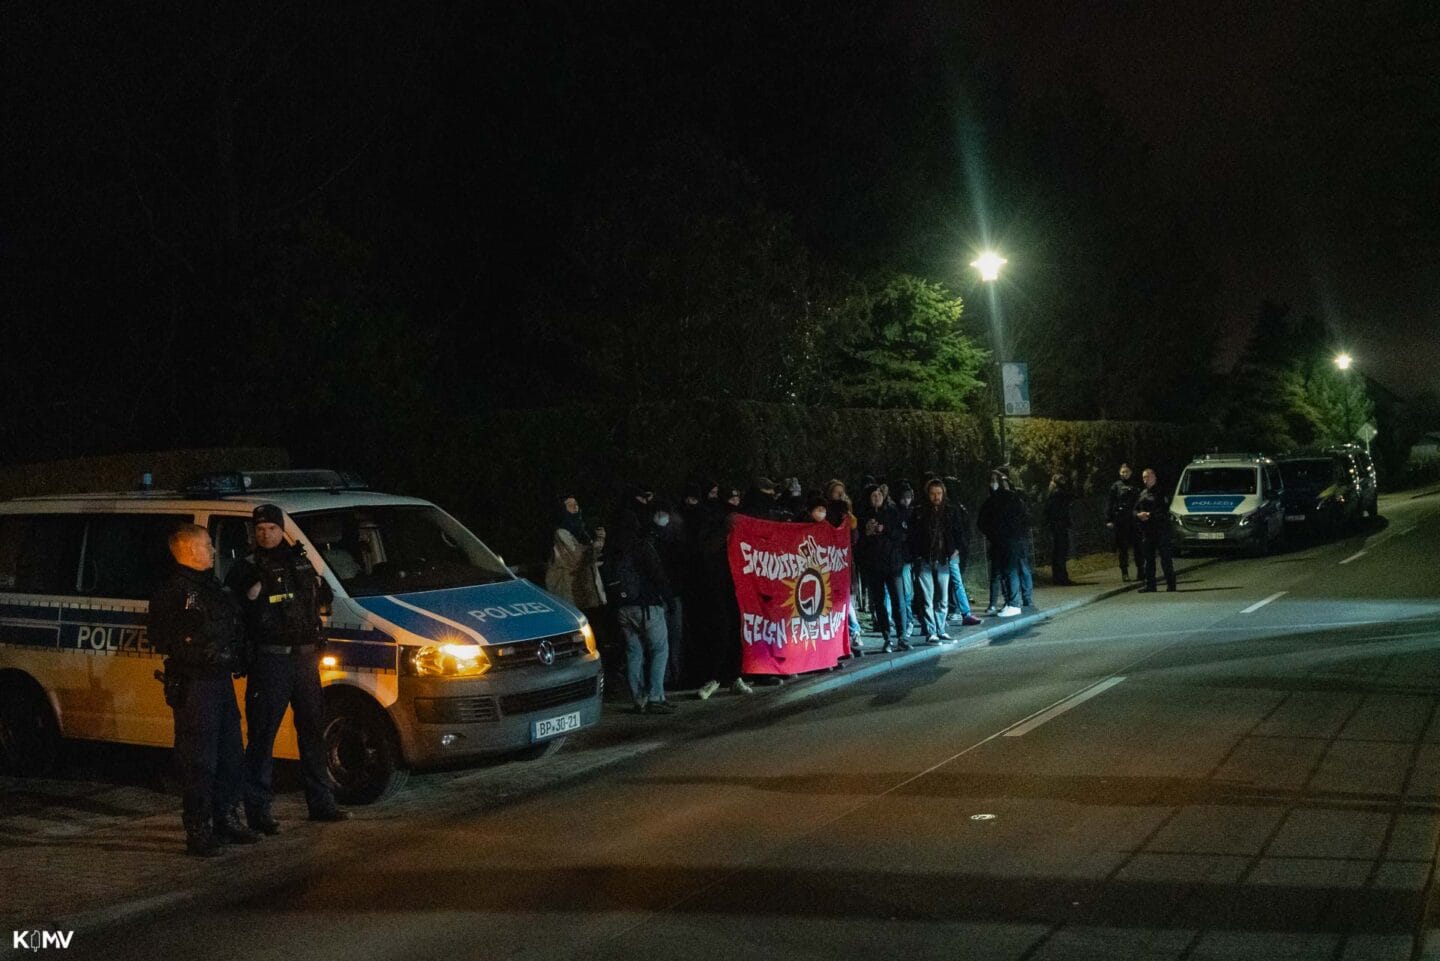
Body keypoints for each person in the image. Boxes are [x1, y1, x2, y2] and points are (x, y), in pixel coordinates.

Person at [227, 504, 348, 833]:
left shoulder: (301, 560)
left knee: (311, 732)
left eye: (271, 528)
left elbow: (323, 598)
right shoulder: (245, 568)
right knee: (263, 737)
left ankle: (322, 804)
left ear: (283, 530)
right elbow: (237, 610)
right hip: (270, 660)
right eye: (260, 528)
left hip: (305, 658)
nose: (265, 534)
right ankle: (258, 812)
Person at [148, 524, 261, 856]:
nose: (214, 550)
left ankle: (225, 817)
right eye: (208, 545)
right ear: (188, 549)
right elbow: (160, 637)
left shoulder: (211, 586)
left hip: (220, 681)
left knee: (230, 755)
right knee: (199, 760)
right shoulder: (174, 592)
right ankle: (197, 829)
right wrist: (197, 650)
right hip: (196, 684)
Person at [603, 490, 676, 713]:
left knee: (633, 652)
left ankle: (639, 699)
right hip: (647, 606)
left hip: (623, 609)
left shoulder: (611, 549)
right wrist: (669, 599)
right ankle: (656, 697)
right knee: (659, 650)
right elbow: (658, 575)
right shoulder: (641, 545)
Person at [907, 478, 963, 642]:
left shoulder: (950, 511)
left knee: (943, 598)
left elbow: (959, 532)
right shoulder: (920, 512)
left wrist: (956, 549)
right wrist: (916, 554)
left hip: (944, 559)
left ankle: (941, 628)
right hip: (924, 559)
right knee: (927, 598)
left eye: (939, 493)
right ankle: (931, 631)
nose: (936, 497)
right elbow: (913, 535)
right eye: (933, 494)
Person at [856, 485, 909, 651]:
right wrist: (867, 533)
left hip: (893, 564)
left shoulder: (892, 512)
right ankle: (887, 637)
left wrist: (884, 529)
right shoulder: (863, 515)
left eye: (879, 494)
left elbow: (902, 535)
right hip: (874, 565)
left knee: (898, 600)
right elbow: (859, 542)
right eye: (873, 495)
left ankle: (902, 636)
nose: (876, 497)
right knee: (879, 603)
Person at [544, 495, 607, 613]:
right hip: (571, 592)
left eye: (576, 504)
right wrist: (599, 542)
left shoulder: (582, 532)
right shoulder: (561, 533)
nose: (575, 507)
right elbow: (578, 557)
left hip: (584, 590)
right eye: (570, 505)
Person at [942, 476, 983, 627]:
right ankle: (953, 613)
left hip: (952, 552)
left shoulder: (953, 509)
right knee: (948, 583)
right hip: (945, 553)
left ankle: (963, 612)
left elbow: (959, 531)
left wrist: (957, 548)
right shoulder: (952, 508)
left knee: (954, 582)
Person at [1134, 467, 1177, 592]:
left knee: (1165, 558)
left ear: (1154, 477)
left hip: (1161, 529)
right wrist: (1138, 515)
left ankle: (1171, 584)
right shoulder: (1142, 494)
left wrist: (1149, 515)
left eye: (1148, 477)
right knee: (1148, 559)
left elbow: (1164, 511)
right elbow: (1135, 509)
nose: (1146, 480)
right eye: (1144, 477)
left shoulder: (1161, 492)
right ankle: (1150, 585)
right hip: (1147, 531)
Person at [1105, 463, 1140, 582]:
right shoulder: (1116, 486)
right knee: (1123, 548)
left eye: (1127, 472)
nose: (1125, 474)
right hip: (1121, 520)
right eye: (1123, 472)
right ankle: (1124, 572)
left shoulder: (1135, 485)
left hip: (1134, 519)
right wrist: (1109, 519)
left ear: (1131, 472)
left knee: (1138, 546)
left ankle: (1141, 570)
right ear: (1120, 473)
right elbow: (1110, 503)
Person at [1042, 474, 1075, 585]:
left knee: (1057, 552)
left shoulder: (1051, 493)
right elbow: (1070, 496)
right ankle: (1062, 578)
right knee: (1061, 551)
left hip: (1055, 525)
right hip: (1059, 525)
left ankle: (1058, 577)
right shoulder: (1058, 493)